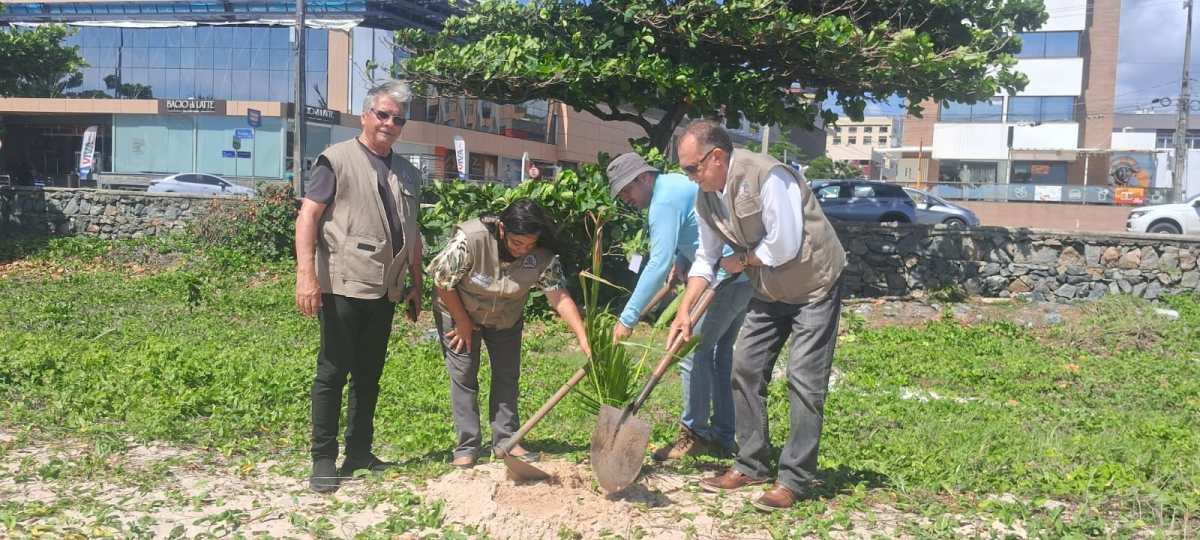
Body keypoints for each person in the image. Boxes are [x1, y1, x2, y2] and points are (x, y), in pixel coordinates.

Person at [669, 120, 847, 512]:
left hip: (813, 285)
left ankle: (794, 479)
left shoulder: (767, 175)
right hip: (769, 291)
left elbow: (784, 244)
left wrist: (743, 261)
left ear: (716, 157)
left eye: (691, 168)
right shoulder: (706, 198)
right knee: (744, 368)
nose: (689, 176)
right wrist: (684, 312)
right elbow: (706, 259)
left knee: (803, 379)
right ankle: (750, 464)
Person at [294, 80, 424, 493]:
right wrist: (306, 276)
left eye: (397, 119)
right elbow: (308, 218)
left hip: (386, 288)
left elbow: (413, 231)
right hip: (344, 282)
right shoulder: (337, 159)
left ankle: (360, 451)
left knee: (369, 374)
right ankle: (323, 459)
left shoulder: (407, 171)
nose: (389, 123)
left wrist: (416, 284)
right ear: (365, 115)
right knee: (333, 372)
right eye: (382, 114)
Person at [606, 152, 752, 461]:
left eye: (627, 190)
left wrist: (628, 317)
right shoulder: (675, 185)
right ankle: (723, 436)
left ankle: (694, 434)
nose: (625, 198)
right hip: (741, 276)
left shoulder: (663, 201)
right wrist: (683, 258)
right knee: (718, 354)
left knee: (689, 352)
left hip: (725, 275)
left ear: (643, 178)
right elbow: (699, 229)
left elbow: (656, 263)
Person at [427, 198, 591, 468]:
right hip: (458, 311)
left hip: (506, 318)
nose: (522, 250)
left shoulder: (542, 257)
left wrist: (583, 337)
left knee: (507, 375)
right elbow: (442, 281)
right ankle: (467, 446)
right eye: (517, 243)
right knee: (464, 374)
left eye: (529, 245)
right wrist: (463, 322)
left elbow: (559, 296)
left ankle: (506, 440)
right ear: (502, 229)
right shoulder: (471, 240)